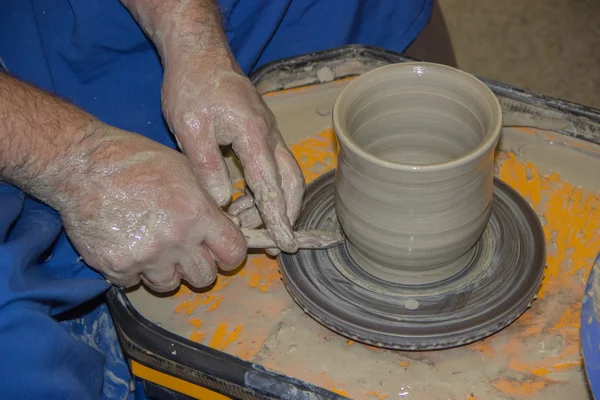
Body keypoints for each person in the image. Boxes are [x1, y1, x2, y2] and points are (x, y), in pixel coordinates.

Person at [0, 0, 455, 398]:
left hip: (297, 11)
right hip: (64, 85)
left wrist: (191, 37)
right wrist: (78, 160)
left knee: (413, 96)